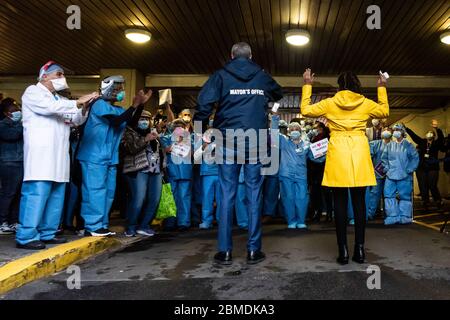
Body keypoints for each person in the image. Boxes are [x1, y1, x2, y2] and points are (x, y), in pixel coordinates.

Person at [195, 42, 283, 265]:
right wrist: (263, 103)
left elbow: (204, 104)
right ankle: (254, 250)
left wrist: (200, 131)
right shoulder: (261, 75)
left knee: (226, 194)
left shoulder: (221, 76)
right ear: (251, 56)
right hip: (256, 141)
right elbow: (278, 92)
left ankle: (224, 251)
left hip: (227, 141)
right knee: (254, 194)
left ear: (231, 55)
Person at [301, 69, 389, 265]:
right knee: (359, 202)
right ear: (357, 84)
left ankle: (343, 251)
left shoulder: (330, 103)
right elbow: (385, 111)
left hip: (338, 150)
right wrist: (381, 87)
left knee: (339, 202)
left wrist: (307, 84)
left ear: (340, 86)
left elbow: (305, 110)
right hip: (358, 149)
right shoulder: (365, 102)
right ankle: (359, 250)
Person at [16, 61, 98, 250]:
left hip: (59, 157)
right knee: (36, 194)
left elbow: (74, 119)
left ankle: (48, 232)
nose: (62, 79)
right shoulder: (32, 92)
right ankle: (26, 236)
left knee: (56, 195)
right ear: (44, 76)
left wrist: (84, 108)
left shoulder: (59, 100)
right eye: (58, 75)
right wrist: (78, 101)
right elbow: (49, 108)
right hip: (40, 156)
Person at [77, 76, 151, 237]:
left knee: (108, 192)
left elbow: (130, 122)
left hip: (109, 157)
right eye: (116, 89)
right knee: (94, 190)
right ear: (107, 89)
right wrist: (134, 105)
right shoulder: (98, 105)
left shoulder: (117, 109)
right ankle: (92, 226)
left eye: (121, 88)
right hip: (94, 156)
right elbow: (116, 121)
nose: (120, 92)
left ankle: (102, 224)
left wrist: (140, 105)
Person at [273, 117, 325, 229]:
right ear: (288, 131)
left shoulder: (306, 144)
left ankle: (301, 220)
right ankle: (291, 220)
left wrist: (326, 152)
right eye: (292, 129)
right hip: (286, 175)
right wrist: (274, 119)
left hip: (301, 175)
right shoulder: (283, 141)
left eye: (297, 128)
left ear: (300, 131)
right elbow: (273, 134)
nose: (294, 130)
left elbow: (315, 158)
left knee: (302, 198)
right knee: (288, 197)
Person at [122, 110, 163, 237]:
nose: (144, 121)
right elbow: (130, 148)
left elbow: (160, 151)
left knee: (155, 199)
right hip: (139, 170)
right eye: (141, 119)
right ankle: (131, 226)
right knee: (139, 199)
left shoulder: (153, 133)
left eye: (147, 119)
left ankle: (144, 225)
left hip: (155, 170)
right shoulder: (129, 132)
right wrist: (145, 139)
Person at [382, 124, 420, 225]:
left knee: (405, 196)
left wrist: (409, 169)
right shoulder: (389, 145)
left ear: (403, 132)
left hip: (404, 175)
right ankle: (392, 216)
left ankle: (404, 216)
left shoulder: (408, 145)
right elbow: (384, 158)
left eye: (398, 130)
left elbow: (415, 158)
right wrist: (387, 169)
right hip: (391, 175)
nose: (395, 131)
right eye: (394, 130)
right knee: (389, 195)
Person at [161, 119, 194, 231]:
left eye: (181, 126)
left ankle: (183, 223)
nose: (179, 128)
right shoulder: (166, 138)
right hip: (172, 171)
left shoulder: (189, 138)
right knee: (171, 197)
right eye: (176, 126)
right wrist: (178, 142)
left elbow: (193, 153)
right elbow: (166, 149)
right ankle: (170, 222)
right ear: (172, 128)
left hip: (185, 171)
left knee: (184, 197)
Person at [405, 120, 445, 210]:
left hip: (432, 167)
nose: (429, 134)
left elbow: (441, 139)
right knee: (423, 185)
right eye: (428, 133)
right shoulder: (422, 142)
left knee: (432, 185)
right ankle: (425, 201)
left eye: (431, 133)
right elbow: (414, 136)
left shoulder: (436, 144)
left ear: (433, 136)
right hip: (421, 167)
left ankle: (438, 200)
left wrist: (436, 128)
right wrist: (407, 129)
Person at [0, 98, 23, 234]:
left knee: (17, 194)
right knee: (8, 193)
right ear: (7, 113)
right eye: (13, 111)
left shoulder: (18, 125)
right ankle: (2, 222)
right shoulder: (2, 125)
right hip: (8, 162)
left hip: (20, 162)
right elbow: (12, 136)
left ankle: (13, 221)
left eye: (18, 110)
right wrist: (22, 123)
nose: (17, 112)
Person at [194, 128, 221, 230]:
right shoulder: (202, 141)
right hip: (207, 173)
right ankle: (206, 221)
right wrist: (203, 147)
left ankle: (221, 220)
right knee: (207, 198)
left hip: (220, 173)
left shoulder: (222, 140)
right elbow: (196, 157)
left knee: (221, 199)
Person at [308, 120, 332, 222]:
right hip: (315, 169)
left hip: (325, 168)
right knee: (316, 192)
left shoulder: (328, 138)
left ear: (321, 128)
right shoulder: (313, 138)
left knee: (326, 192)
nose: (315, 130)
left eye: (316, 128)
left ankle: (329, 213)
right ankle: (317, 213)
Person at [366, 127, 393, 219]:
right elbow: (369, 156)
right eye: (385, 130)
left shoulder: (395, 145)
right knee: (374, 193)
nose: (386, 132)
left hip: (390, 174)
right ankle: (370, 213)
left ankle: (388, 214)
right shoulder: (375, 144)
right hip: (378, 172)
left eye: (388, 130)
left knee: (389, 194)